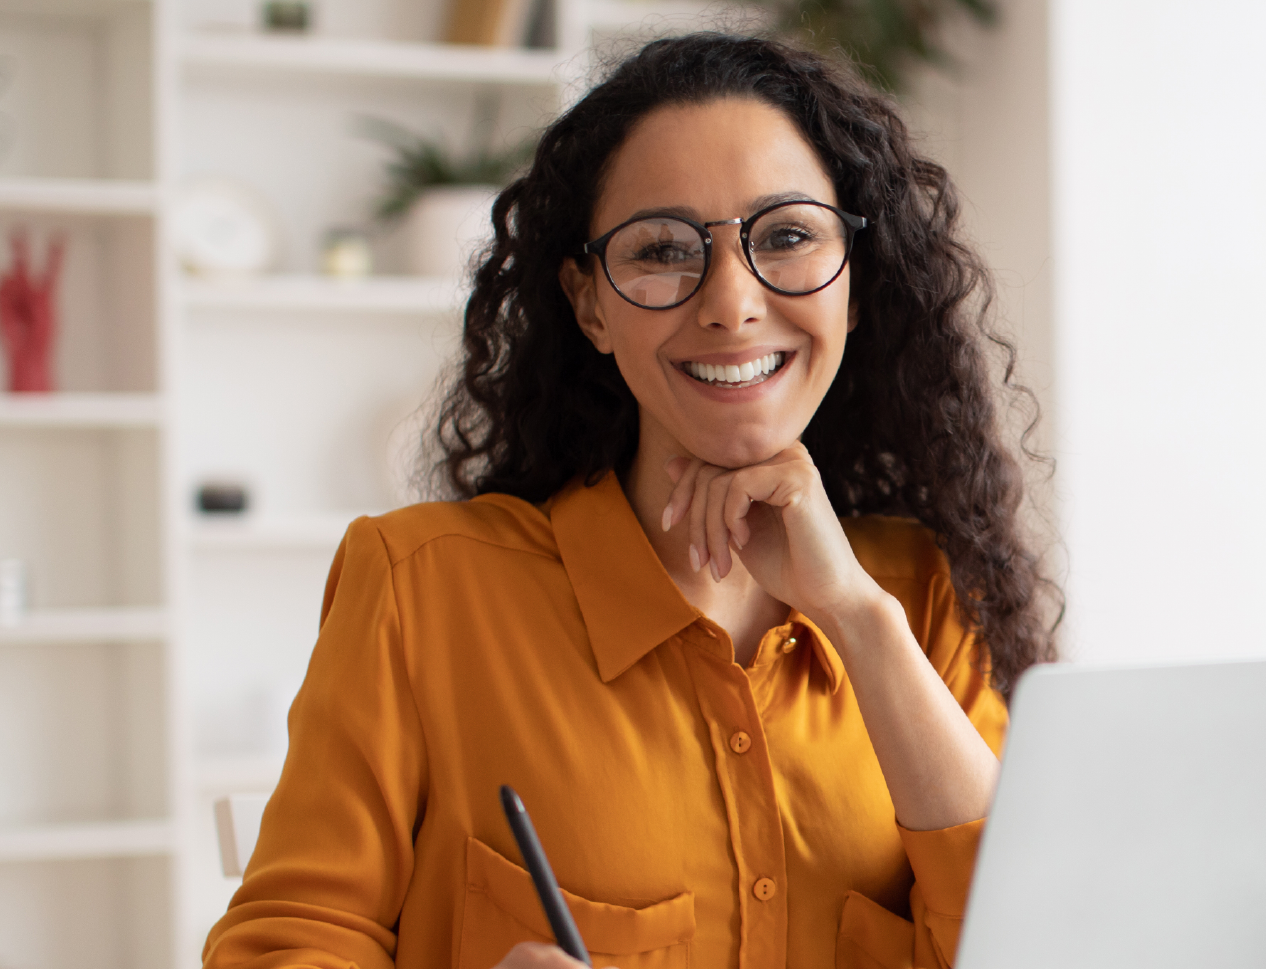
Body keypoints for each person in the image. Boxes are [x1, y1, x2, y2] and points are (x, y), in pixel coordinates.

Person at [203, 33, 1057, 969]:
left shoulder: (918, 594)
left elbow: (1041, 944)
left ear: (853, 284)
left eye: (786, 235)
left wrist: (856, 616)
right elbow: (282, 949)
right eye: (661, 249)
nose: (731, 302)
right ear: (591, 304)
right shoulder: (422, 589)